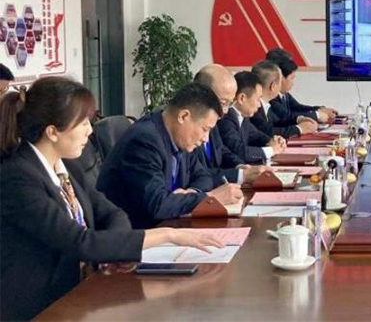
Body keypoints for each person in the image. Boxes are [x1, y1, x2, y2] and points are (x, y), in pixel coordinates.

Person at [0, 77, 223, 322]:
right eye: (83, 123)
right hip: (40, 306)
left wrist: (115, 253)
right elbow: (80, 242)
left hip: (80, 292)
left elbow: (112, 213)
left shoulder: (66, 166)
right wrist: (167, 234)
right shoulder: (18, 178)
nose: (90, 130)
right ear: (52, 132)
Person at [97, 83, 243, 228]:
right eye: (205, 129)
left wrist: (192, 193)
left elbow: (203, 176)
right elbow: (157, 204)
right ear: (183, 116)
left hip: (168, 226)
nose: (206, 138)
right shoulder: (145, 141)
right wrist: (209, 197)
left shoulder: (180, 137)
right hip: (136, 233)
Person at [193, 64, 271, 186]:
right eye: (223, 103)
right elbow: (195, 175)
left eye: (229, 103)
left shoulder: (214, 119)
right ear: (201, 95)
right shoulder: (188, 127)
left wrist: (239, 166)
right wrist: (240, 176)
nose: (225, 111)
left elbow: (221, 150)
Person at [218, 71, 286, 165]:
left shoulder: (243, 117)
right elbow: (239, 151)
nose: (259, 105)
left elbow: (257, 135)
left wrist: (274, 141)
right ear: (242, 98)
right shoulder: (225, 119)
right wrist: (272, 150)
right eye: (258, 99)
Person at [251, 59, 314, 139]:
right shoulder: (254, 108)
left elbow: (279, 122)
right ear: (273, 86)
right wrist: (300, 129)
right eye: (280, 82)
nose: (281, 86)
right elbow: (268, 131)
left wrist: (299, 119)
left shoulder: (266, 104)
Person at [268, 55, 336, 126]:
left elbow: (298, 107)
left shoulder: (285, 94)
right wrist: (317, 115)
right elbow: (286, 116)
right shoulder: (271, 97)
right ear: (280, 79)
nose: (293, 83)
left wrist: (320, 109)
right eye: (292, 78)